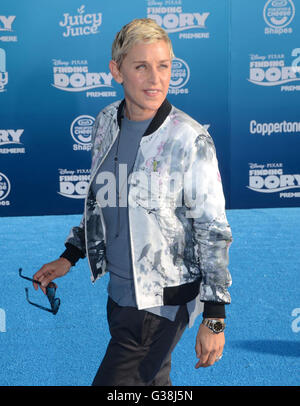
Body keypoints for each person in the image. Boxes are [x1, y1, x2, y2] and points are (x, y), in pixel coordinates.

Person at [33, 18, 232, 386]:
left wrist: (214, 318)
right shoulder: (106, 121)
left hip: (163, 306)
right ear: (117, 71)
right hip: (121, 298)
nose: (155, 78)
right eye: (141, 66)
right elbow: (104, 203)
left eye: (163, 66)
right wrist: (70, 256)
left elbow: (213, 231)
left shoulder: (190, 140)